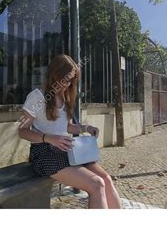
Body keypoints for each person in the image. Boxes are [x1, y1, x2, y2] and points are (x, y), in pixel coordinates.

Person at [17, 54, 122, 209]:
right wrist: (49, 138)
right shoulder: (37, 97)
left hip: (67, 149)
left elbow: (67, 127)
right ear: (54, 75)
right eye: (65, 80)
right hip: (45, 153)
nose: (68, 84)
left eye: (71, 81)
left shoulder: (63, 96)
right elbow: (22, 131)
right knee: (96, 184)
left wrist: (86, 128)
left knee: (106, 179)